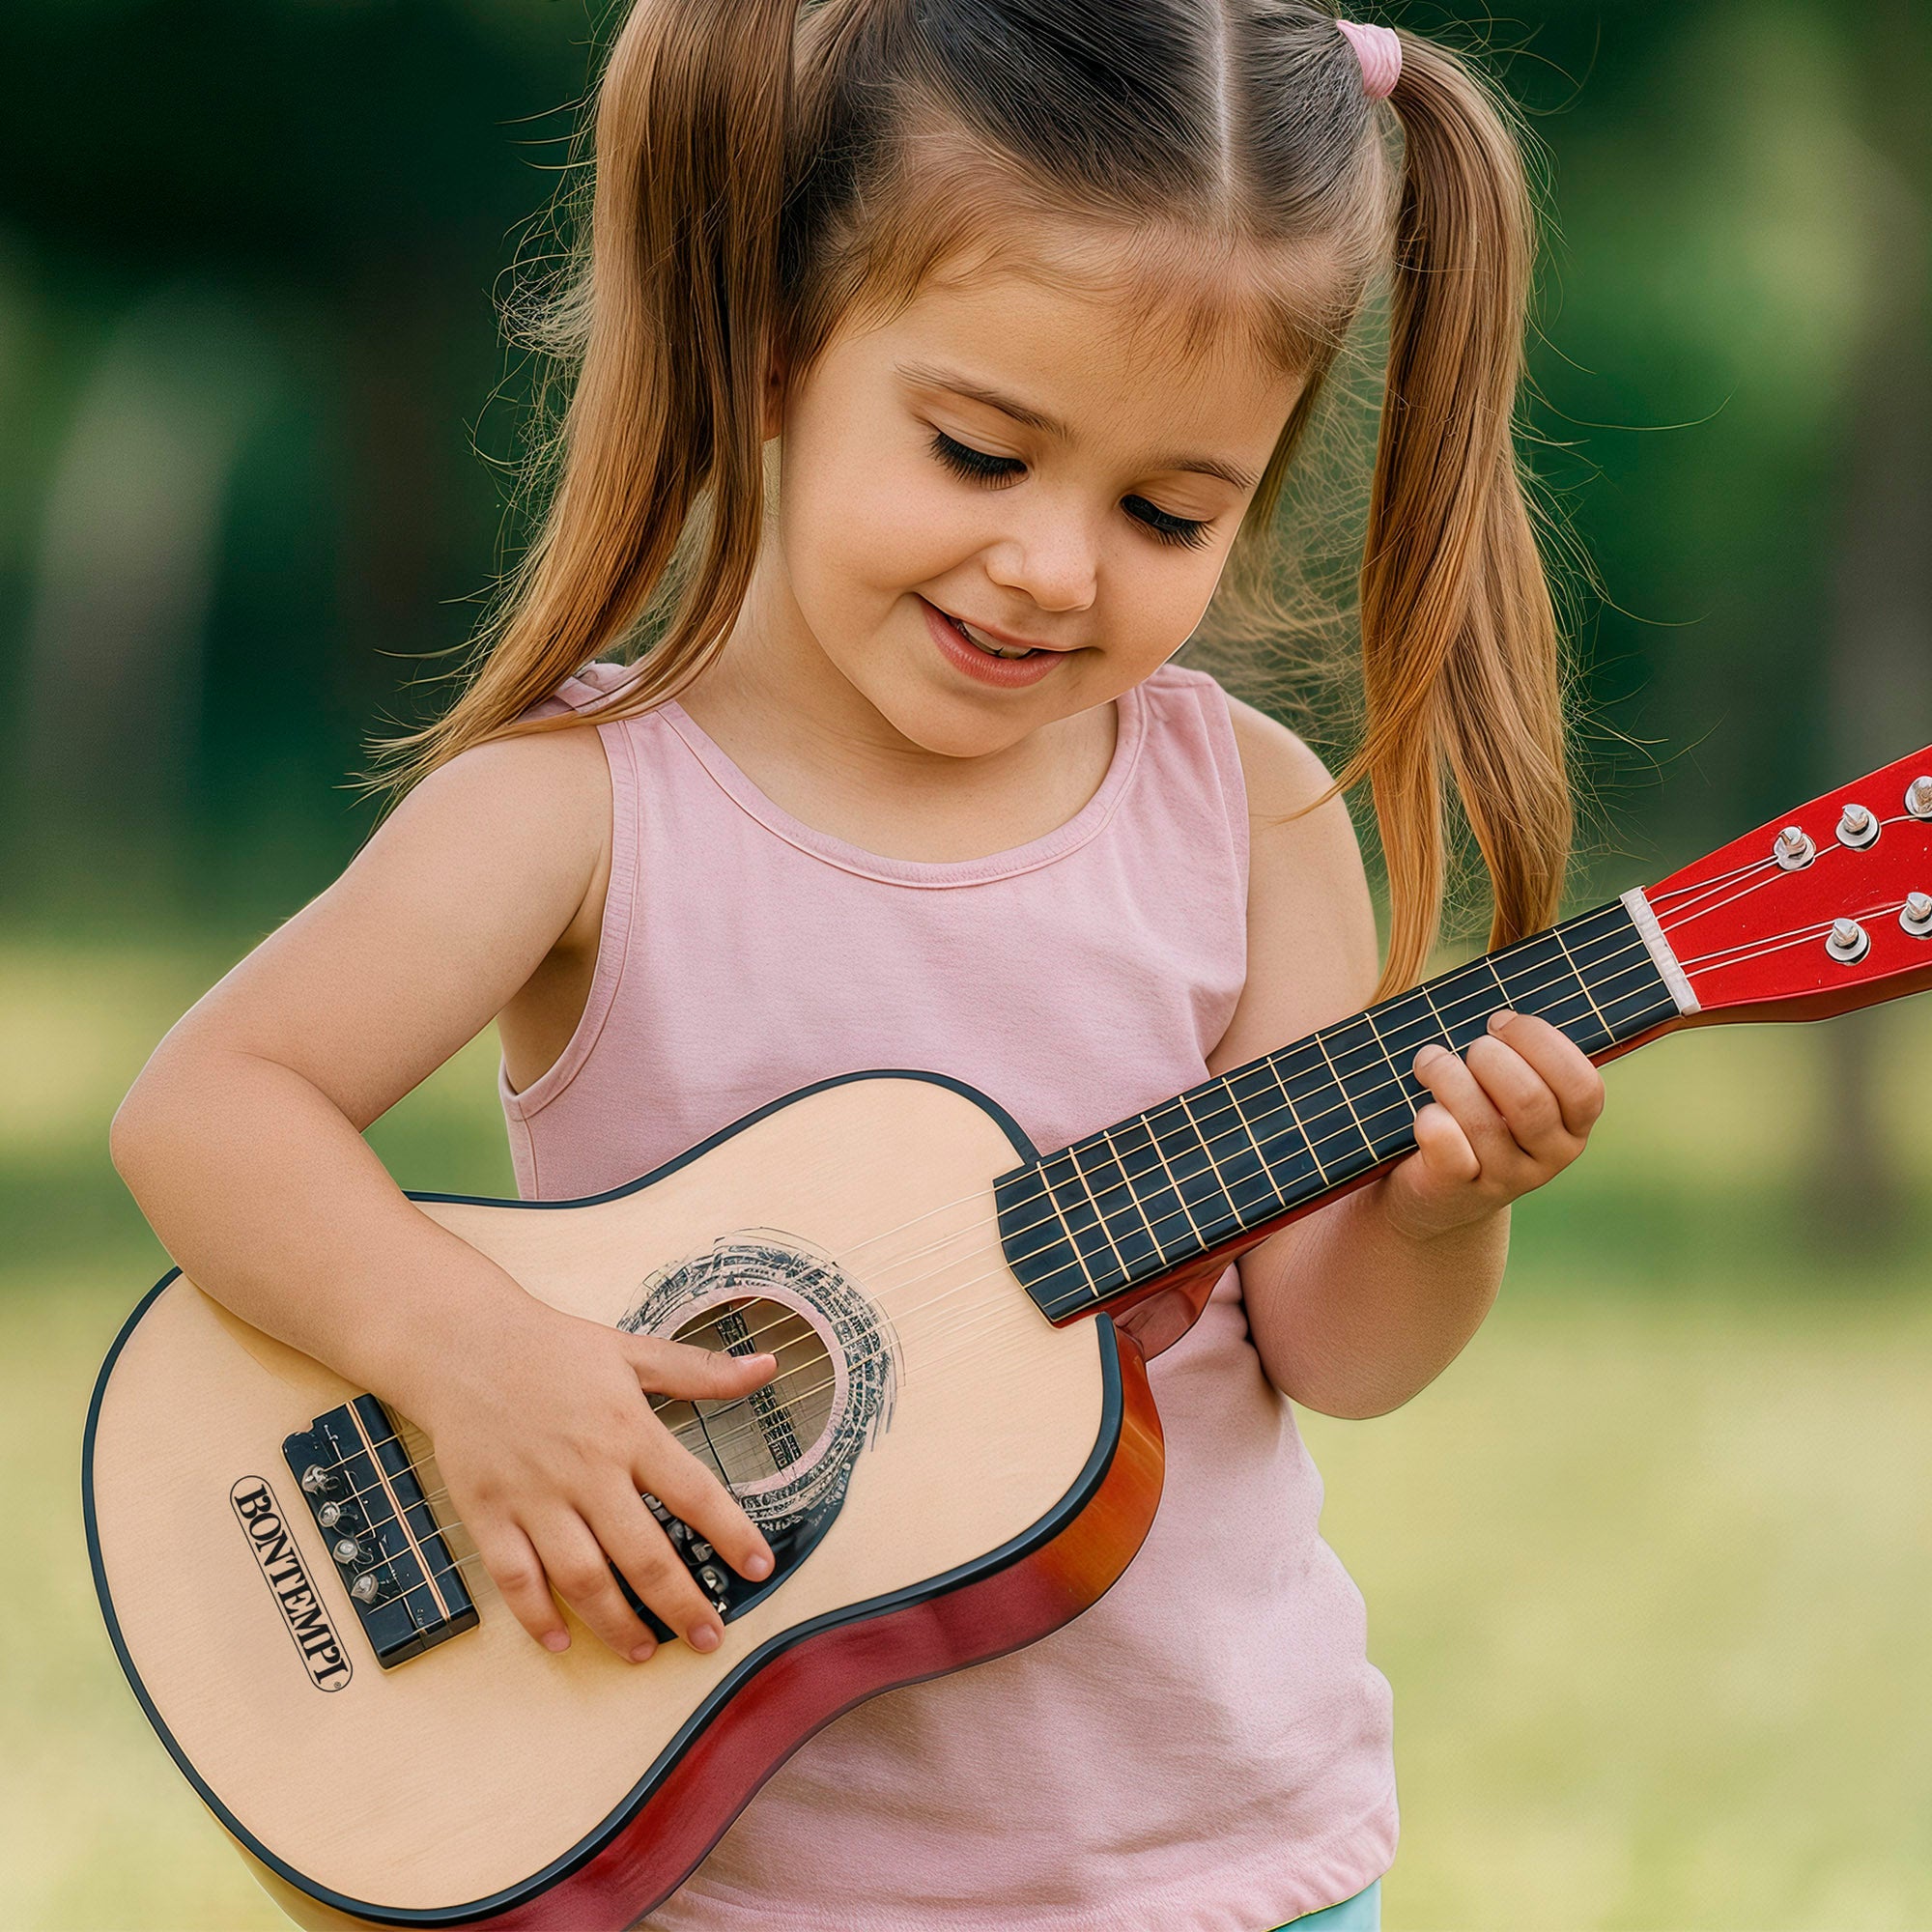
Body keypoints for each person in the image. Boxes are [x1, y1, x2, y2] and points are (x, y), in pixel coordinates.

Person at [109, 3, 1608, 1927]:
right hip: (735, 1873)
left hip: (1211, 1857)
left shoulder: (1247, 812)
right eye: (982, 452)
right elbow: (208, 1108)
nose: (1057, 566)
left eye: (1170, 509)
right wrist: (475, 1360)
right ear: (771, 351)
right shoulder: (580, 806)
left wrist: (1439, 1211)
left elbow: (1331, 1347)